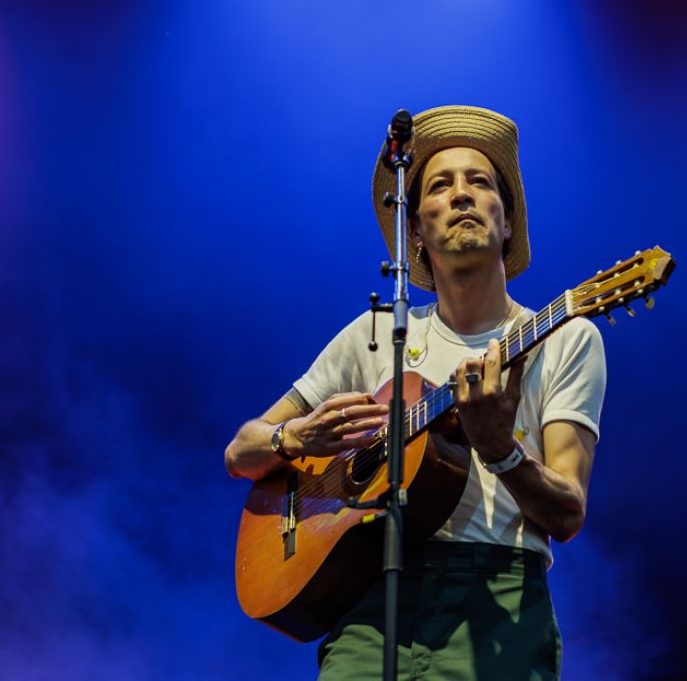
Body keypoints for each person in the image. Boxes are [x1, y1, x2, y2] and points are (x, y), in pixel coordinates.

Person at [224, 104, 606, 680]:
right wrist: (293, 437)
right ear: (417, 234)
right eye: (440, 186)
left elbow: (568, 512)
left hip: (497, 602)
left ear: (508, 224)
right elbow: (240, 453)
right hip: (370, 601)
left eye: (480, 182)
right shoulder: (377, 334)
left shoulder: (566, 338)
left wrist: (501, 450)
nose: (462, 194)